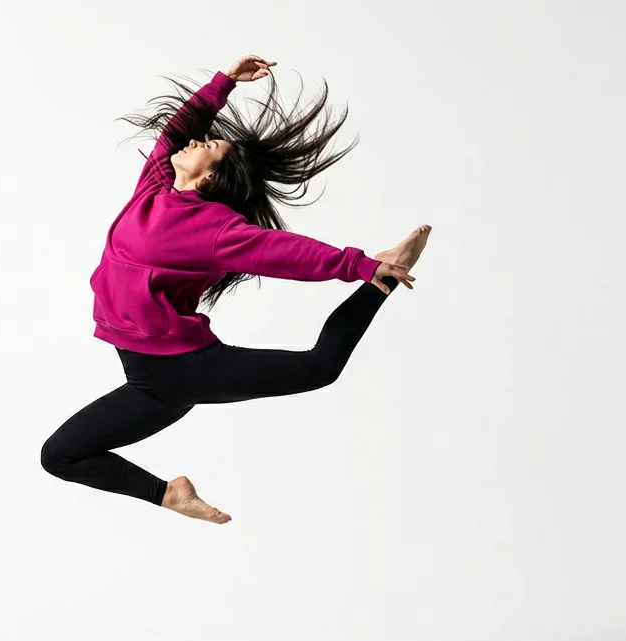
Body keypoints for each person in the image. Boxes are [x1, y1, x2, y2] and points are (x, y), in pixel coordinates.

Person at [40, 55, 431, 524]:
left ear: (209, 178)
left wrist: (361, 265)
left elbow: (285, 252)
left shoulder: (214, 229)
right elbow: (174, 132)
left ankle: (384, 279)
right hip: (148, 381)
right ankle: (170, 494)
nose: (195, 142)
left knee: (321, 367)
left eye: (208, 146)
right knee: (59, 456)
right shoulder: (155, 188)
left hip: (182, 370)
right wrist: (223, 83)